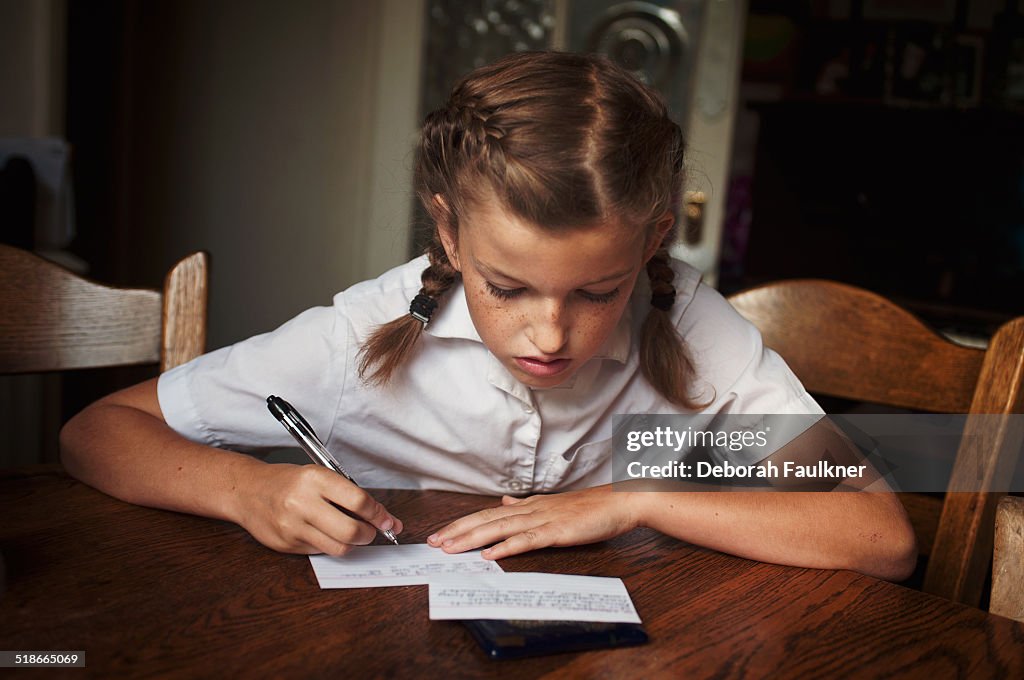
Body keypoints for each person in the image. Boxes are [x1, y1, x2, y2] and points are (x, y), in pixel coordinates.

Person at [60, 51, 916, 581]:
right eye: (508, 289)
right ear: (449, 231)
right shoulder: (362, 333)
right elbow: (97, 431)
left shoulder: (696, 327)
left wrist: (634, 500)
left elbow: (876, 534)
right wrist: (247, 488)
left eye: (597, 291)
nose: (551, 335)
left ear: (653, 242)